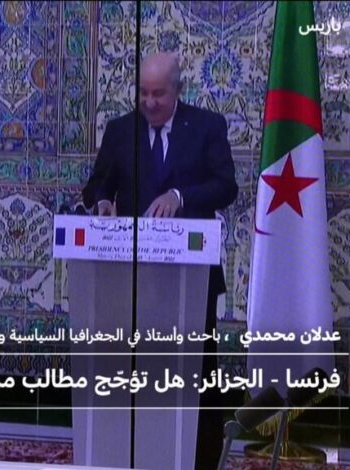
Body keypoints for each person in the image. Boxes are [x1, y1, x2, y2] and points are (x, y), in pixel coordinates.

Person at [82, 52, 238, 469]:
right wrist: (102, 202)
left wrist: (180, 197)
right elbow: (97, 184)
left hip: (191, 280)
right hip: (134, 279)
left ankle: (201, 459)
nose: (149, 103)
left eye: (158, 94)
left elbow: (226, 187)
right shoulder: (120, 131)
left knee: (196, 372)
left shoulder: (206, 126)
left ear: (178, 91)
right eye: (143, 94)